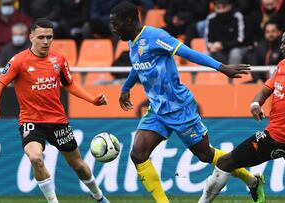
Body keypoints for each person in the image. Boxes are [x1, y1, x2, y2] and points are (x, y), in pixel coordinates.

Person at [110, 1, 265, 203]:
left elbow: (187, 52)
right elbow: (137, 65)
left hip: (179, 107)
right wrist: (126, 87)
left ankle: (252, 180)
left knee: (205, 154)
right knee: (138, 154)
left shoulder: (156, 37)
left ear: (129, 22)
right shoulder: (132, 40)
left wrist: (220, 67)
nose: (113, 29)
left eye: (116, 24)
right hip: (157, 110)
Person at [198, 27, 285, 203]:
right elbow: (266, 90)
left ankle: (242, 187)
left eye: (284, 42)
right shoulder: (283, 65)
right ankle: (254, 182)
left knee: (224, 163)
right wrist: (255, 103)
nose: (281, 47)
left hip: (277, 137)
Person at [0, 18, 110, 203]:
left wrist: (93, 100)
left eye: (49, 37)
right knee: (36, 158)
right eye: (41, 37)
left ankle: (98, 196)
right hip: (31, 121)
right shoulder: (18, 61)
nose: (45, 42)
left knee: (78, 165)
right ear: (31, 37)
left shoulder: (58, 59)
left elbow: (70, 84)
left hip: (58, 121)